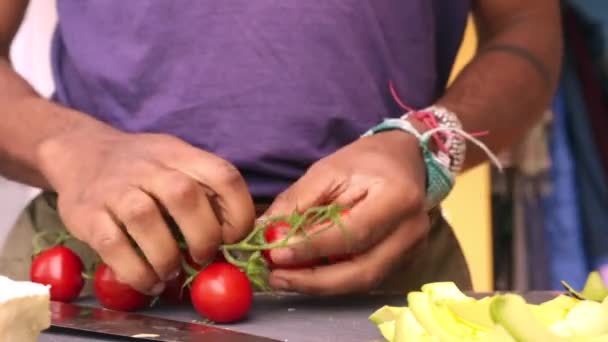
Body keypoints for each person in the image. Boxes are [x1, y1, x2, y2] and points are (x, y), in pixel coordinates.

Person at [0, 1, 562, 297]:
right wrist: (71, 148)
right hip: (94, 273)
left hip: (384, 268)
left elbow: (528, 29)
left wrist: (429, 147)